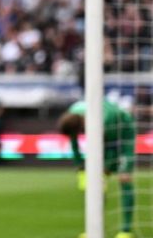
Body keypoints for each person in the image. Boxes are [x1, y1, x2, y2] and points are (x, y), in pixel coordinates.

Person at [58, 100, 135, 238]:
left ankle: (125, 231)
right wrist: (80, 165)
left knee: (124, 179)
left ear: (83, 123)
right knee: (97, 185)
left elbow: (109, 148)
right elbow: (74, 142)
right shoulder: (73, 114)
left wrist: (108, 167)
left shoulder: (106, 120)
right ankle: (95, 228)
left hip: (124, 134)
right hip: (104, 137)